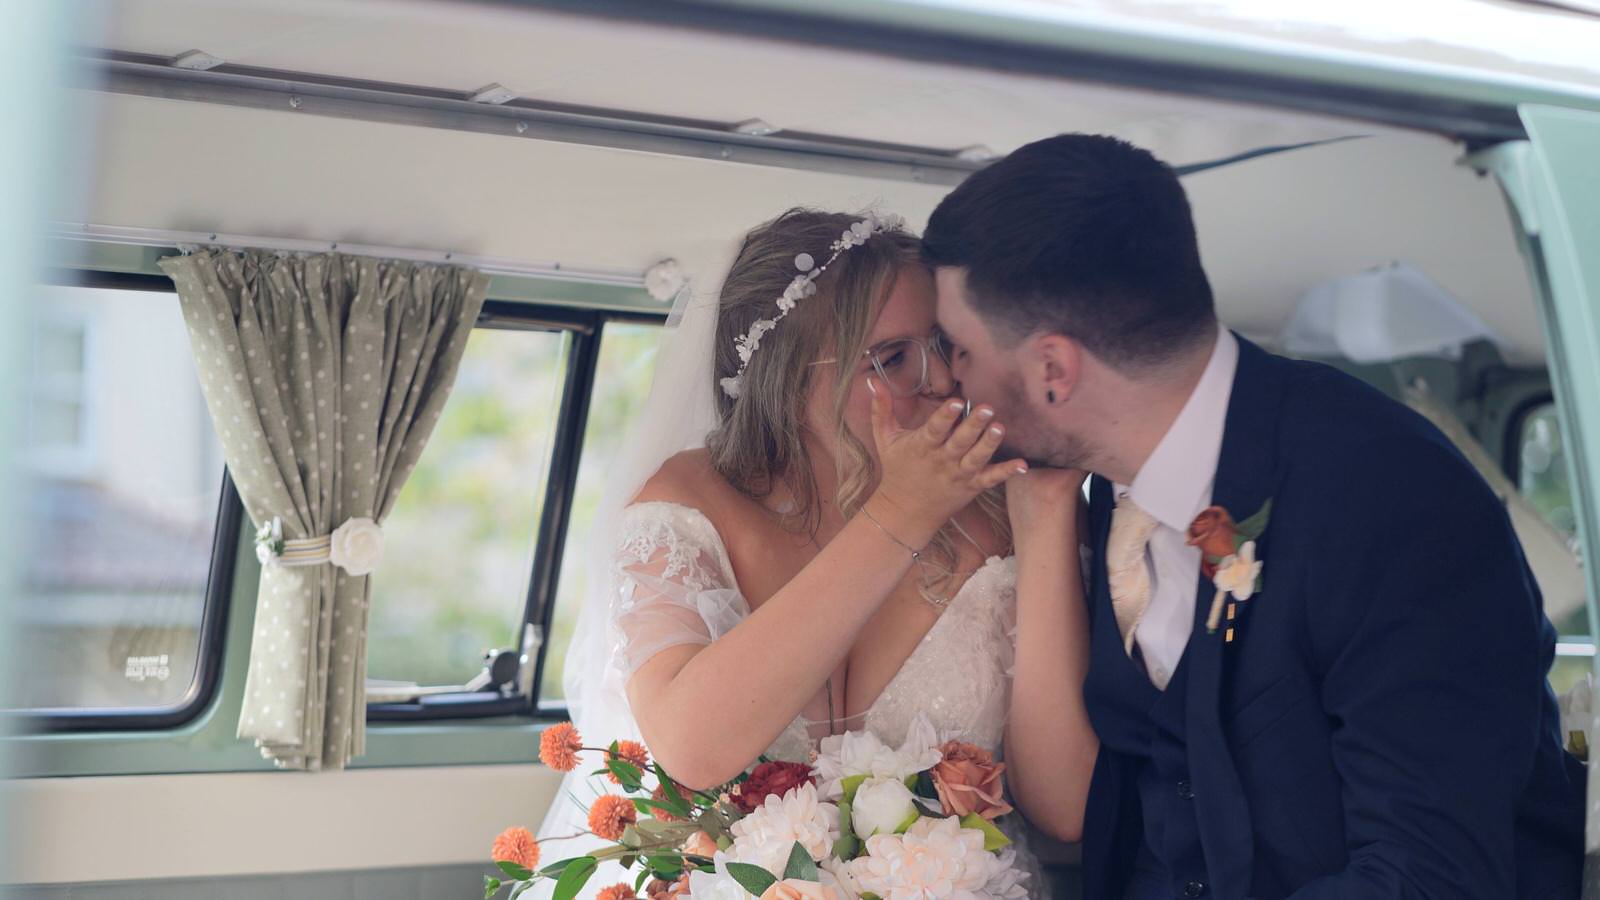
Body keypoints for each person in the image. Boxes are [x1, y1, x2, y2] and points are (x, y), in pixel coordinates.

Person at [922, 132, 1586, 899]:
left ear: (1053, 370)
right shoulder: (1106, 491)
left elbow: (1427, 873)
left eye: (959, 350)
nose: (948, 381)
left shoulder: (1391, 496)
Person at [544, 208, 1100, 895]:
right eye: (894, 358)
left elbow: (1066, 809)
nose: (939, 381)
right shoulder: (689, 508)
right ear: (786, 377)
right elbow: (694, 747)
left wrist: (1046, 512)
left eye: (946, 346)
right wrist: (901, 514)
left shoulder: (1010, 507)